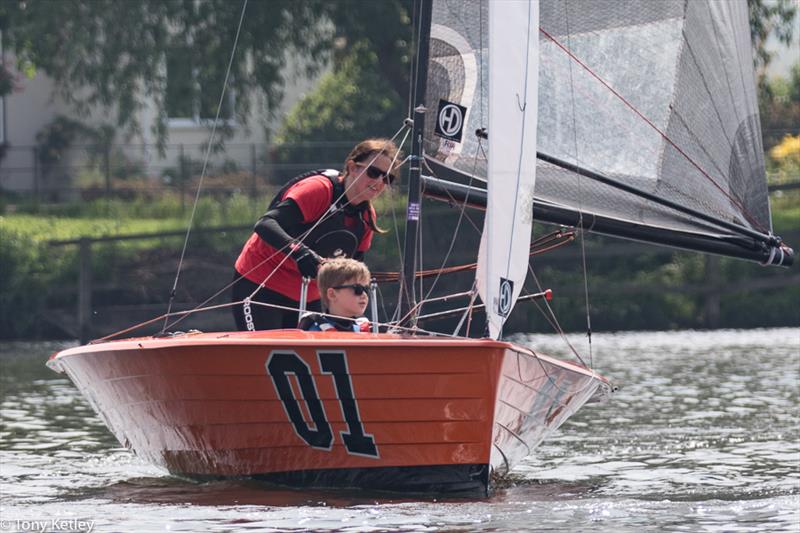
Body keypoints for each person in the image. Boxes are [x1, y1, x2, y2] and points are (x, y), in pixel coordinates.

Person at [232, 138, 400, 331]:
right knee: (264, 354)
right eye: (373, 172)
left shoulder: (366, 217)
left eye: (387, 179)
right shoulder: (319, 190)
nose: (379, 182)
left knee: (306, 356)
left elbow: (351, 269)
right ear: (352, 167)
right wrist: (300, 252)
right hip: (260, 285)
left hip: (309, 294)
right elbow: (265, 224)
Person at [299, 257, 373, 332]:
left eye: (366, 289)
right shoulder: (313, 332)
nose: (364, 295)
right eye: (358, 289)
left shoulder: (370, 329)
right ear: (332, 295)